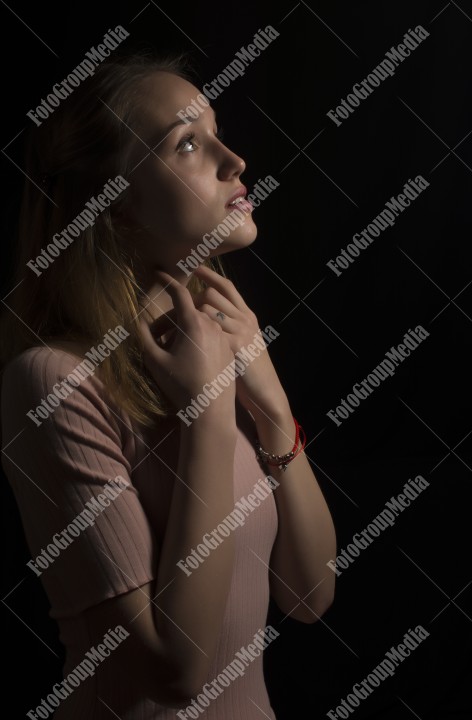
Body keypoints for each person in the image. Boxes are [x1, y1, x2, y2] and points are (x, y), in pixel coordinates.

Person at [0, 54, 336, 719]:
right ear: (114, 206)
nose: (234, 159)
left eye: (216, 130)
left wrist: (271, 407)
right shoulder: (52, 383)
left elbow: (310, 596)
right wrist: (209, 414)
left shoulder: (219, 348)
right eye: (187, 143)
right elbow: (177, 673)